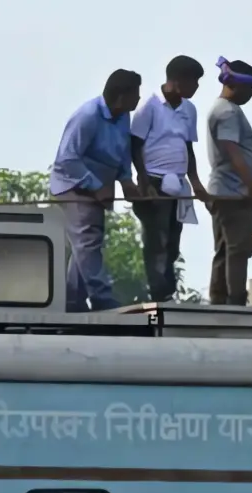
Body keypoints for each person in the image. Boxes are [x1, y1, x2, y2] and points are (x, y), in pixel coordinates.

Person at [50, 70, 144, 313]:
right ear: (122, 96)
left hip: (100, 185)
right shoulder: (88, 116)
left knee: (87, 243)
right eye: (135, 93)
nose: (138, 98)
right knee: (88, 240)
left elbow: (122, 151)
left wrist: (126, 180)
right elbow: (67, 158)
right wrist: (94, 185)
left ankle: (73, 301)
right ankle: (103, 300)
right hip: (74, 185)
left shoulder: (123, 116)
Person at [131, 56, 211, 304]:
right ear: (177, 81)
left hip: (177, 184)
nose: (196, 87)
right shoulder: (150, 106)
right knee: (157, 241)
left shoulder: (189, 109)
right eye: (193, 81)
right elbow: (134, 146)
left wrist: (195, 181)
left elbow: (188, 148)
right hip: (154, 182)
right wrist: (143, 184)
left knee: (173, 244)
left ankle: (169, 290)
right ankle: (159, 294)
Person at [206, 58, 252, 307]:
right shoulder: (227, 112)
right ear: (236, 86)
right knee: (238, 249)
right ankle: (235, 299)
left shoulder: (222, 109)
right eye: (248, 88)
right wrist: (251, 185)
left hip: (223, 191)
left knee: (224, 249)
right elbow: (231, 149)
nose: (251, 94)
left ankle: (219, 297)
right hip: (234, 193)